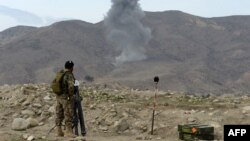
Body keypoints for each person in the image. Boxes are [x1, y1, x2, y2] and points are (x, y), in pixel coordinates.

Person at [55, 61, 76, 138]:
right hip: (65, 97)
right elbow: (71, 86)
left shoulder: (60, 73)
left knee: (59, 114)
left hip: (58, 96)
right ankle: (68, 132)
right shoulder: (69, 75)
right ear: (71, 67)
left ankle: (59, 131)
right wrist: (71, 95)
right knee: (68, 114)